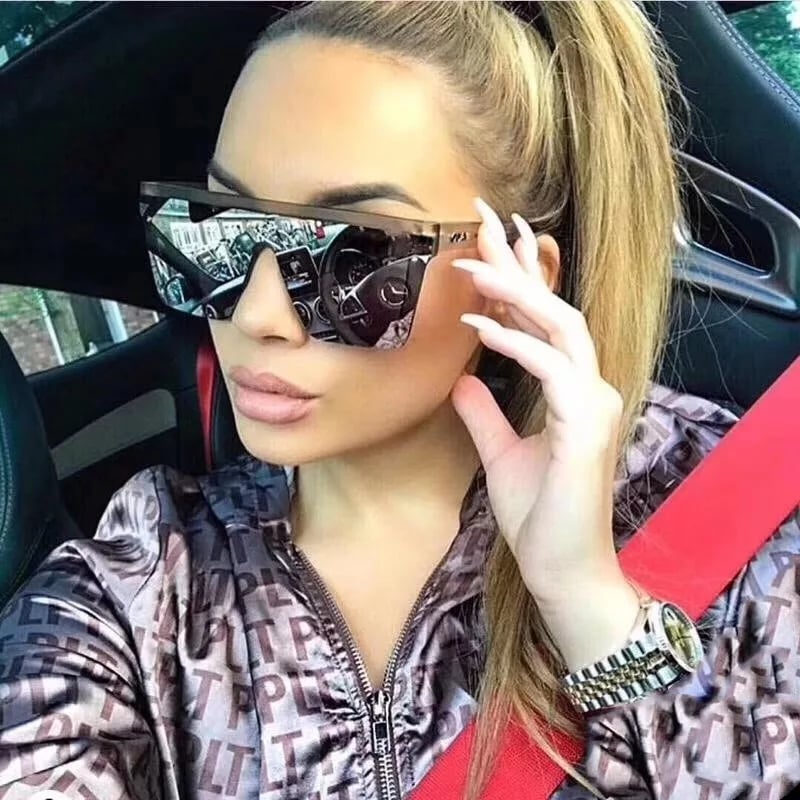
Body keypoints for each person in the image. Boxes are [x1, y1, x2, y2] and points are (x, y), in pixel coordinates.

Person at [1, 2, 798, 799]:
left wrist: (591, 607)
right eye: (223, 230)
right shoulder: (148, 581)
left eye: (356, 257)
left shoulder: (738, 516)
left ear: (516, 279)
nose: (256, 315)